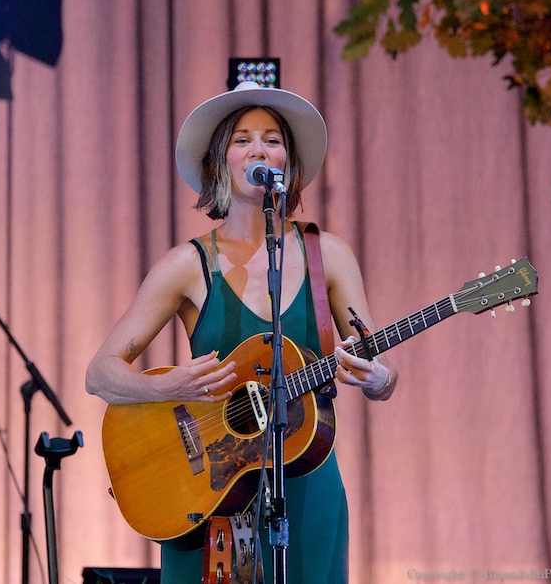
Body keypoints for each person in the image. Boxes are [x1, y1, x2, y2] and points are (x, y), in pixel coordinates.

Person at [85, 81, 398, 583]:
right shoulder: (187, 265)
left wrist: (381, 379)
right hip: (209, 484)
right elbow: (99, 374)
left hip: (306, 475)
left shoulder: (329, 256)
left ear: (288, 164)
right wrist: (169, 386)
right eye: (243, 139)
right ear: (220, 163)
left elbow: (373, 352)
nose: (260, 149)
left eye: (273, 139)